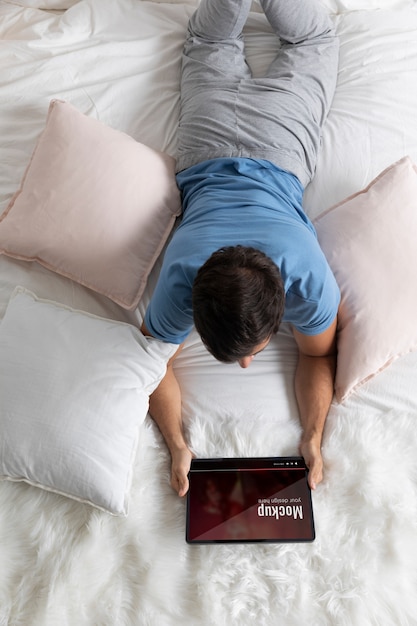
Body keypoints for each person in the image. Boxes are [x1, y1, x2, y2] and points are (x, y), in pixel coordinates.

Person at [141, 0, 340, 496]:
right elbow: (316, 357)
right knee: (221, 41)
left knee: (303, 42)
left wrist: (314, 437)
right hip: (217, 142)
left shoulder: (310, 277)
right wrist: (178, 444)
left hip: (274, 144)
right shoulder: (184, 272)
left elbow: (154, 362)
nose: (249, 364)